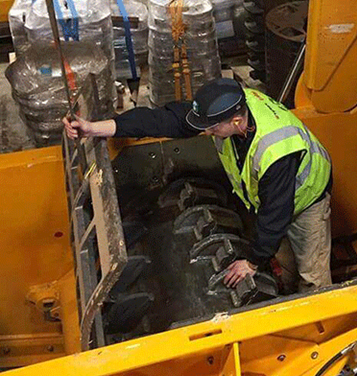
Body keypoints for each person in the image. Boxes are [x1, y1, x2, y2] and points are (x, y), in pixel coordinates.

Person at [63, 78, 333, 293]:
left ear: (235, 122)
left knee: (311, 272)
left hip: (307, 199)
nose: (207, 132)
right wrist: (96, 128)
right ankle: (285, 293)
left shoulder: (276, 151)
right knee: (284, 260)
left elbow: (276, 213)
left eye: (212, 129)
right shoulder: (230, 106)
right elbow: (164, 120)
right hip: (271, 199)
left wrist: (251, 261)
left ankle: (320, 319)